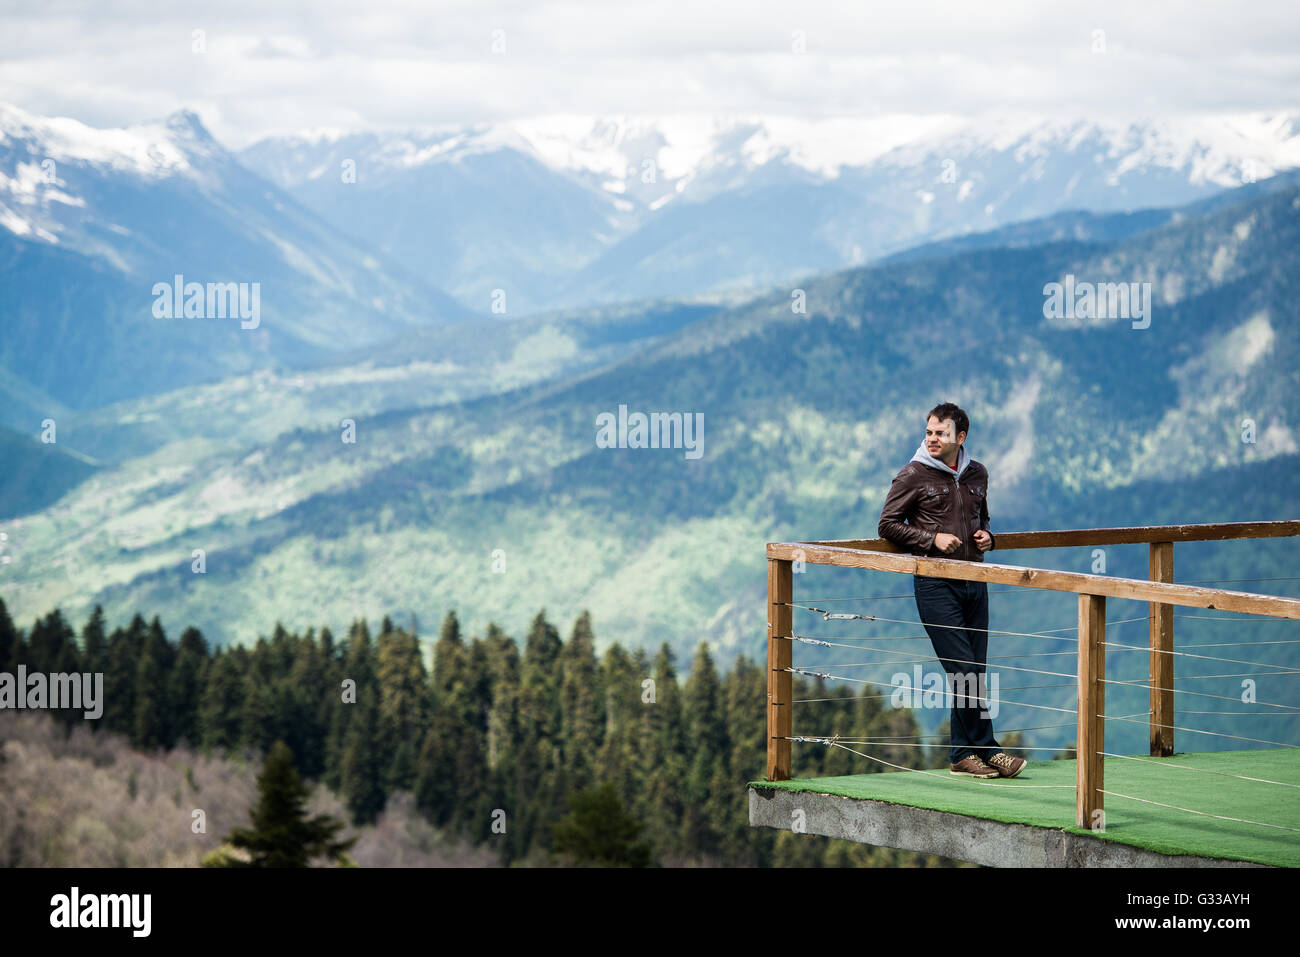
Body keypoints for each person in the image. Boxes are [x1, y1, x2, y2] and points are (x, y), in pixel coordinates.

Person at [877, 402, 1026, 779]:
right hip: (935, 585)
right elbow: (887, 525)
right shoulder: (912, 474)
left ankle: (965, 754)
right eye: (929, 432)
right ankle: (986, 750)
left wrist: (988, 535)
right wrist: (930, 539)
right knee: (963, 668)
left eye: (940, 433)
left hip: (975, 581)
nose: (932, 439)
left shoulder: (978, 473)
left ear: (960, 437)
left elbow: (982, 515)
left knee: (975, 669)